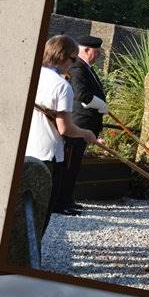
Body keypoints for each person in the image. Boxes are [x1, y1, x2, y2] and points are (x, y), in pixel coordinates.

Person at [27, 34, 100, 216]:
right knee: (41, 213)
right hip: (48, 152)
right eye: (73, 58)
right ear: (62, 56)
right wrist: (86, 134)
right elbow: (65, 128)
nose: (73, 63)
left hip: (28, 148)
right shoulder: (61, 86)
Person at [59, 35, 107, 213]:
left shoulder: (87, 68)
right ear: (86, 50)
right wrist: (102, 105)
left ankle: (67, 199)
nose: (99, 56)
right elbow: (82, 95)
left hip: (85, 124)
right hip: (78, 123)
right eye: (97, 52)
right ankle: (61, 203)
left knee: (75, 164)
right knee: (69, 164)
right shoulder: (78, 67)